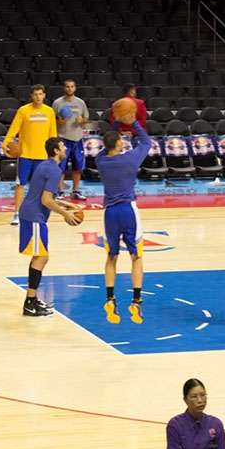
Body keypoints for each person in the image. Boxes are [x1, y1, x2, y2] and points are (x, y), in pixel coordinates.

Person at [98, 113, 153, 324]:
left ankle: (110, 298)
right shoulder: (130, 159)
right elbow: (146, 141)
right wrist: (132, 123)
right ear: (119, 143)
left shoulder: (101, 161)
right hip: (128, 210)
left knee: (111, 256)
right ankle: (136, 301)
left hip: (109, 212)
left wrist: (115, 128)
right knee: (136, 257)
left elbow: (106, 146)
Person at [18, 137, 81, 317]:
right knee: (42, 258)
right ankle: (29, 302)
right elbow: (45, 200)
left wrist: (66, 205)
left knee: (39, 257)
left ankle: (32, 299)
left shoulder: (46, 165)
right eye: (62, 146)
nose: (65, 148)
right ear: (55, 151)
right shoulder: (53, 169)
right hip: (34, 216)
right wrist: (66, 214)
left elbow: (44, 195)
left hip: (31, 214)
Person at [4, 85, 57, 226]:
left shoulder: (49, 111)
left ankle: (36, 212)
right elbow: (13, 129)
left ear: (44, 95)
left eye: (40, 94)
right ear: (31, 96)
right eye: (35, 94)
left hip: (43, 156)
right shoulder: (23, 110)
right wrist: (6, 143)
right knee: (20, 184)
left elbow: (53, 135)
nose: (38, 97)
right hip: (25, 155)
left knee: (40, 186)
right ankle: (17, 214)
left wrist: (54, 152)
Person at [166, 379, 225, 449]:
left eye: (203, 395)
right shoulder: (175, 425)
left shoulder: (216, 424)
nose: (200, 400)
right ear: (185, 400)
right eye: (194, 396)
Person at [52, 79, 90, 200]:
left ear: (75, 88)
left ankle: (75, 191)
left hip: (77, 139)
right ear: (64, 88)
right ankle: (60, 191)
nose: (70, 89)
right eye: (67, 86)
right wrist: (59, 121)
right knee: (60, 167)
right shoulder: (57, 103)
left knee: (78, 167)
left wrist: (82, 121)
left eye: (72, 86)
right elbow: (51, 120)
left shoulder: (81, 103)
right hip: (63, 139)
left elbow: (86, 120)